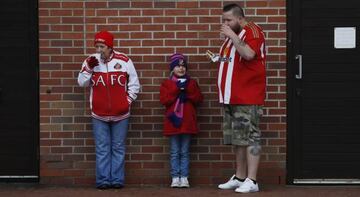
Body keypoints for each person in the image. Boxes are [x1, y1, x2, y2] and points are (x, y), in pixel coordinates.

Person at [77, 31, 140, 189]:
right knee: (102, 148)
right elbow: (81, 83)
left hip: (121, 114)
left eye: (102, 46)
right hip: (99, 114)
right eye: (97, 46)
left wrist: (127, 101)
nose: (99, 50)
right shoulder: (91, 60)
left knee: (118, 147)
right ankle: (103, 180)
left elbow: (134, 83)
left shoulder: (124, 60)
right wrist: (88, 69)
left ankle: (117, 180)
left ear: (110, 47)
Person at [214, 4, 266, 193]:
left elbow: (249, 54)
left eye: (228, 20)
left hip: (247, 96)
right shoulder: (232, 37)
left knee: (251, 136)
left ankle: (252, 180)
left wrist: (232, 36)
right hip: (231, 96)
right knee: (237, 139)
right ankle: (240, 176)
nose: (225, 24)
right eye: (223, 20)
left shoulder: (252, 31)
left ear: (239, 18)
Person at [160, 53, 203, 188]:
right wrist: (176, 89)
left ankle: (184, 177)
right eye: (178, 66)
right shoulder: (167, 84)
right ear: (172, 68)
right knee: (174, 152)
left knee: (184, 151)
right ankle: (175, 177)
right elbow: (165, 100)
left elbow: (198, 99)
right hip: (173, 122)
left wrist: (187, 90)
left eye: (183, 66)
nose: (181, 68)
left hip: (187, 123)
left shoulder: (192, 83)